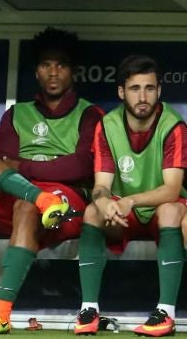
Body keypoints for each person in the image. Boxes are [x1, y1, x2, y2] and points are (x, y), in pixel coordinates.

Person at [0, 28, 104, 333]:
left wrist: (22, 166)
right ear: (36, 72)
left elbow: (80, 166)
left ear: (73, 72)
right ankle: (38, 198)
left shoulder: (90, 114)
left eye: (61, 65)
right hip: (13, 195)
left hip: (64, 203)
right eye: (45, 65)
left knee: (26, 207)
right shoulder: (17, 114)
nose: (53, 72)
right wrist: (34, 173)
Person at [74, 55, 186, 337]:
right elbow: (101, 186)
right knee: (91, 211)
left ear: (159, 90)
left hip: (162, 207)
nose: (143, 96)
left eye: (150, 88)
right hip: (126, 213)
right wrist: (103, 203)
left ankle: (165, 313)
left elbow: (171, 190)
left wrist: (130, 200)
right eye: (135, 89)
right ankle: (88, 310)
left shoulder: (174, 126)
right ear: (122, 92)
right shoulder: (107, 125)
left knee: (171, 209)